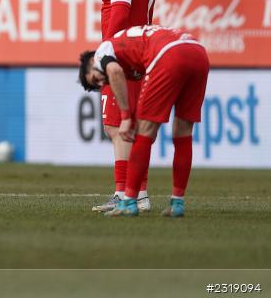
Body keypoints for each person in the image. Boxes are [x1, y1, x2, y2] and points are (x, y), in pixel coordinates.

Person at [79, 25, 211, 218]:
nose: (101, 83)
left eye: (95, 78)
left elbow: (114, 71)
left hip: (169, 54)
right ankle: (177, 202)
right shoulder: (129, 48)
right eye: (97, 85)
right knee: (183, 131)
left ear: (92, 62)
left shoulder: (102, 51)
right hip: (198, 52)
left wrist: (125, 117)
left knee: (144, 132)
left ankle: (129, 201)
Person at [86, 0, 157, 213]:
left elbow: (120, 11)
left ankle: (125, 194)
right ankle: (139, 194)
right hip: (143, 50)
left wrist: (106, 49)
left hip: (124, 52)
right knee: (132, 127)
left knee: (116, 127)